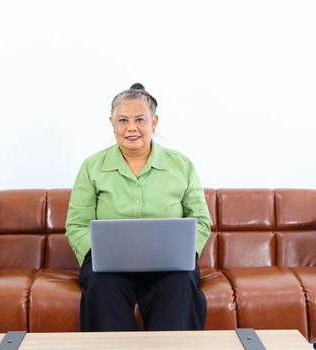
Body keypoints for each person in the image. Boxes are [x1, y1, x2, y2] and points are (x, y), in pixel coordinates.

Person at [66, 83, 212, 332]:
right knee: (102, 286)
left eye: (139, 120)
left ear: (153, 123)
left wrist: (185, 252)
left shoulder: (181, 166)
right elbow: (76, 224)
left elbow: (201, 220)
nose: (131, 127)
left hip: (170, 264)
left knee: (181, 283)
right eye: (122, 120)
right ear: (112, 123)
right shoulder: (92, 167)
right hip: (108, 267)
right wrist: (100, 252)